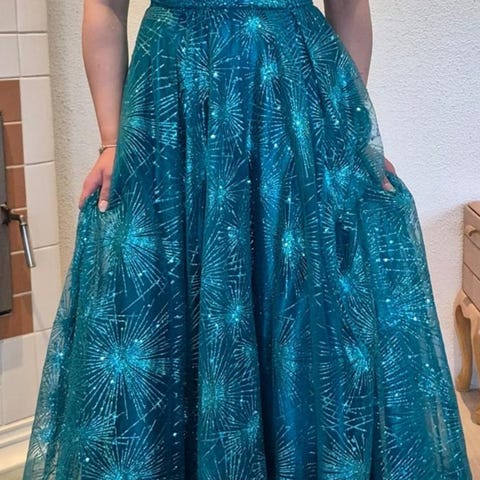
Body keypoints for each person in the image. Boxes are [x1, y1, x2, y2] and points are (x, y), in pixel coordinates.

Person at [23, 0, 472, 478]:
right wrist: (113, 141)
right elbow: (104, 7)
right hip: (174, 100)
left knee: (301, 297)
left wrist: (350, 132)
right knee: (157, 300)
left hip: (293, 99)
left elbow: (349, 6)